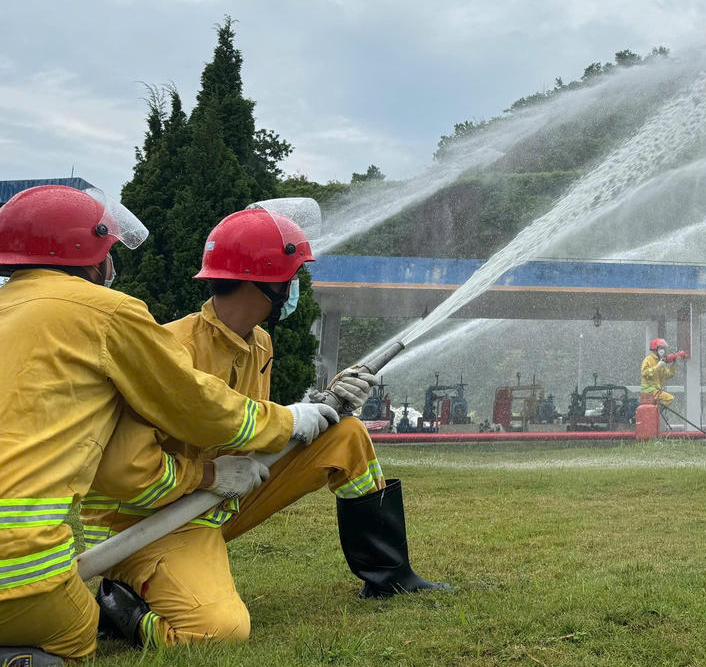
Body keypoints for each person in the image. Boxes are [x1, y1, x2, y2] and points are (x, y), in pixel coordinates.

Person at [83, 204, 450, 651]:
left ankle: (390, 577)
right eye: (292, 277)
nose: (296, 287)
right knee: (217, 633)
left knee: (345, 437)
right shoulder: (170, 350)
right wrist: (213, 476)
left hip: (221, 497)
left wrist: (322, 405)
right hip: (150, 522)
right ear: (269, 281)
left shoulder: (260, 342)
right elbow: (127, 475)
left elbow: (253, 422)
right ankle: (120, 608)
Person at [0, 185, 338, 664]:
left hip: (190, 510)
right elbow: (198, 405)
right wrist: (280, 425)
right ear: (92, 256)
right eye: (110, 251)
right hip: (33, 562)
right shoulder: (109, 314)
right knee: (77, 637)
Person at [640, 337, 687, 409]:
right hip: (648, 392)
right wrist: (657, 367)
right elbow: (644, 373)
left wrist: (674, 364)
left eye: (663, 348)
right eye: (661, 348)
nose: (663, 350)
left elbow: (669, 375)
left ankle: (656, 411)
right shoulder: (648, 360)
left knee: (668, 400)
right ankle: (656, 410)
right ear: (655, 349)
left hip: (656, 392)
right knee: (669, 398)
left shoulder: (661, 361)